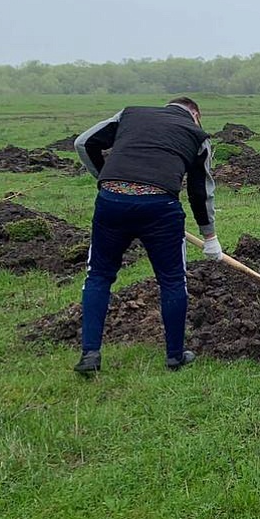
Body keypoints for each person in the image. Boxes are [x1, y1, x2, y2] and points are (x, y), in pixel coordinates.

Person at [72, 97, 222, 374]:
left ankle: (90, 354)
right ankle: (175, 356)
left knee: (99, 276)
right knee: (172, 279)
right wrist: (209, 237)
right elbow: (199, 190)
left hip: (111, 202)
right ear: (196, 115)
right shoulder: (198, 135)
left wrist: (107, 180)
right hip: (160, 208)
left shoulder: (130, 114)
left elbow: (84, 143)